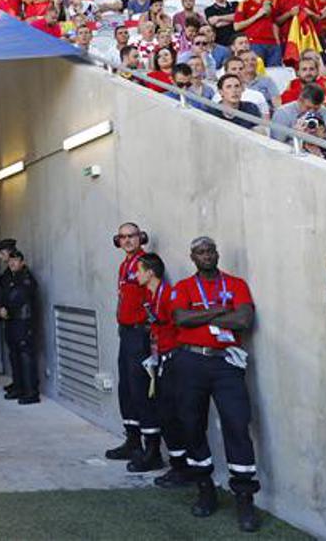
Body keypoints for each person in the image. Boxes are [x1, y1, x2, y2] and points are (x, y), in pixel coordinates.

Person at [170, 236, 261, 532]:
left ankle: (244, 497)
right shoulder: (183, 287)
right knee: (191, 424)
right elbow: (181, 318)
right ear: (192, 257)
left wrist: (204, 317)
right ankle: (205, 488)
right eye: (200, 252)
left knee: (237, 424)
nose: (207, 255)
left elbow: (244, 319)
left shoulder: (235, 284)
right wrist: (220, 311)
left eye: (210, 250)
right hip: (190, 362)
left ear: (217, 254)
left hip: (226, 362)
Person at [133, 253, 188, 486]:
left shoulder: (169, 295)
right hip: (161, 358)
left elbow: (177, 326)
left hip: (174, 360)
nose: (136, 275)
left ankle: (183, 468)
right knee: (165, 414)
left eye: (139, 270)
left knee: (173, 415)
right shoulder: (152, 295)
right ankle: (177, 465)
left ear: (150, 273)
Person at [106, 223, 152, 461]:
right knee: (126, 388)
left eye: (131, 236)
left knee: (140, 388)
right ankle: (132, 440)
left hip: (139, 334)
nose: (126, 241)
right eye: (122, 237)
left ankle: (149, 447)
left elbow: (152, 298)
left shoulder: (147, 264)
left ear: (141, 237)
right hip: (126, 332)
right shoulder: (124, 265)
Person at [0, 248, 40, 405]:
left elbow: (19, 297)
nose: (12, 263)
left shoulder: (26, 278)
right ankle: (19, 387)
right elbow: (1, 294)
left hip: (23, 321)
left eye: (16, 260)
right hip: (12, 321)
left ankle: (31, 392)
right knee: (14, 355)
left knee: (25, 356)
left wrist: (6, 308)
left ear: (22, 262)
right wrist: (0, 307)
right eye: (11, 260)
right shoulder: (9, 278)